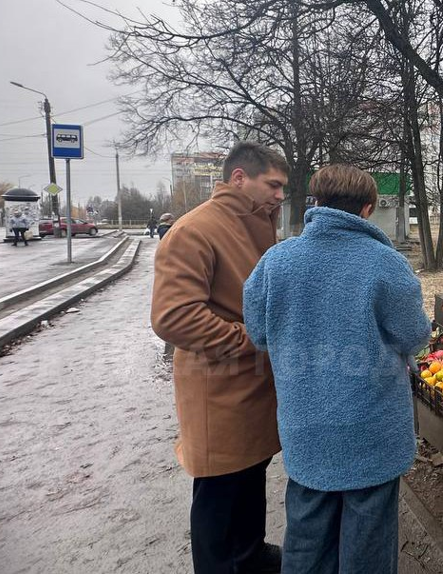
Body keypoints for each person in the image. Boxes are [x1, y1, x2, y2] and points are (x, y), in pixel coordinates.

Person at [243, 164, 431, 573]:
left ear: (317, 202)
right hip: (372, 432)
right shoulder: (385, 263)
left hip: (305, 427)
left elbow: (257, 332)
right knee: (368, 545)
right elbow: (415, 335)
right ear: (366, 209)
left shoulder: (276, 262)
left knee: (307, 540)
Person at [150, 141, 287, 574]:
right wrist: (252, 340)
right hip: (220, 392)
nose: (280, 195)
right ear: (239, 178)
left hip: (249, 388)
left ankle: (249, 555)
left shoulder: (254, 222)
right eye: (274, 185)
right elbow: (174, 316)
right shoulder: (195, 230)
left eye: (284, 188)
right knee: (219, 496)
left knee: (248, 482)